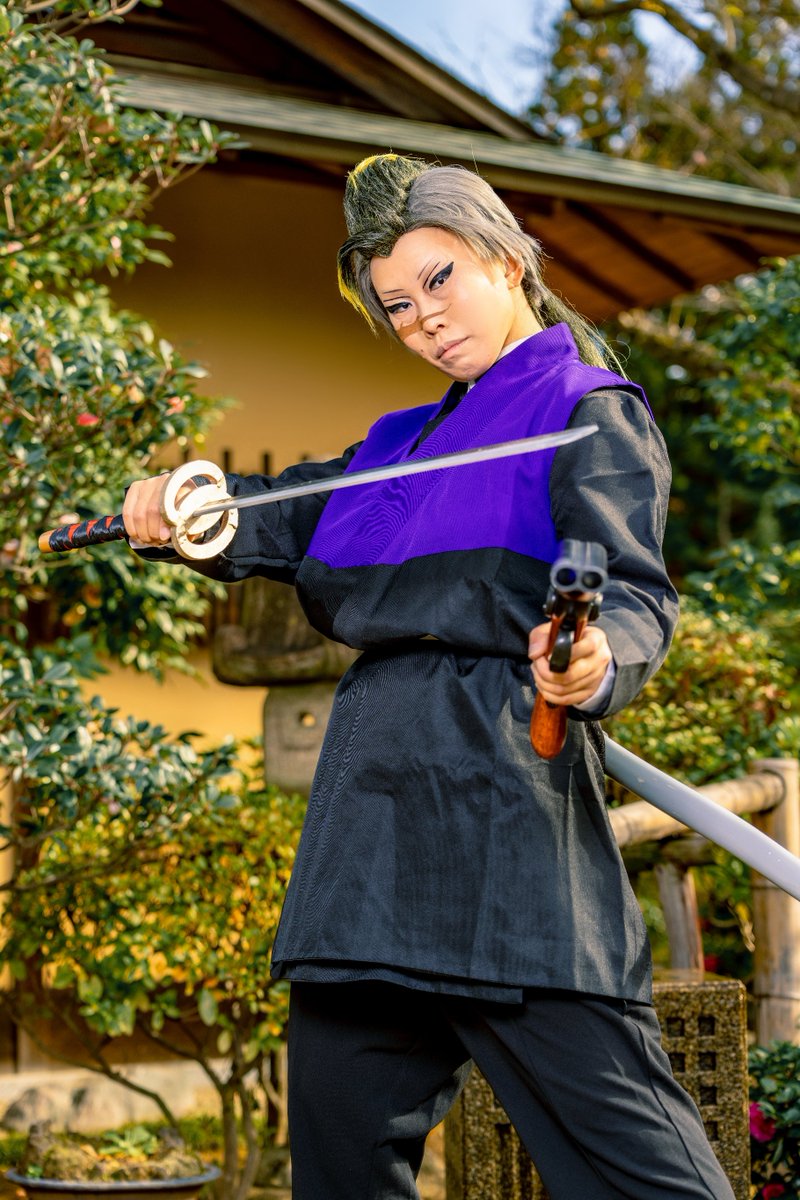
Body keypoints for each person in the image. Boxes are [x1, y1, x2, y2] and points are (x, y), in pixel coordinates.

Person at [123, 154, 734, 1200]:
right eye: (397, 306)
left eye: (438, 279)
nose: (424, 320)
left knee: (639, 1174)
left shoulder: (588, 409)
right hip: (365, 832)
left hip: (506, 811)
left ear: (506, 260)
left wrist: (596, 660)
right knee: (338, 1160)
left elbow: (631, 593)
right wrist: (178, 506)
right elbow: (266, 513)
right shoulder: (396, 446)